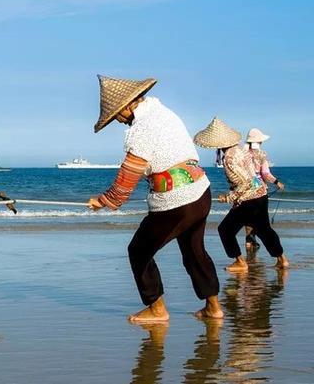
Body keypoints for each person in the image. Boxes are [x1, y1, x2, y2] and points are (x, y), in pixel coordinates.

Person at [87, 75, 222, 322]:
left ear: (128, 105)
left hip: (177, 201)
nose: (118, 120)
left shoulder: (140, 129)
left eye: (117, 115)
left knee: (138, 250)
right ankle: (213, 307)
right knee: (194, 251)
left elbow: (129, 175)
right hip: (201, 193)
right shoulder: (165, 113)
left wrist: (105, 201)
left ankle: (157, 310)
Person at [193, 118, 289, 272]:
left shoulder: (229, 158)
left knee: (225, 230)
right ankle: (282, 259)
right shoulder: (242, 151)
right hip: (261, 195)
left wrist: (229, 197)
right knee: (264, 229)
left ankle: (240, 262)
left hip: (248, 200)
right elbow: (254, 177)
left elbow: (245, 183)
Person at [244, 128, 284, 249]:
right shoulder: (262, 155)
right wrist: (277, 182)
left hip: (244, 189)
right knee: (260, 218)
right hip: (259, 189)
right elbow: (265, 173)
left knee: (247, 216)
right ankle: (275, 250)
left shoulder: (242, 154)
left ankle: (249, 242)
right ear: (258, 142)